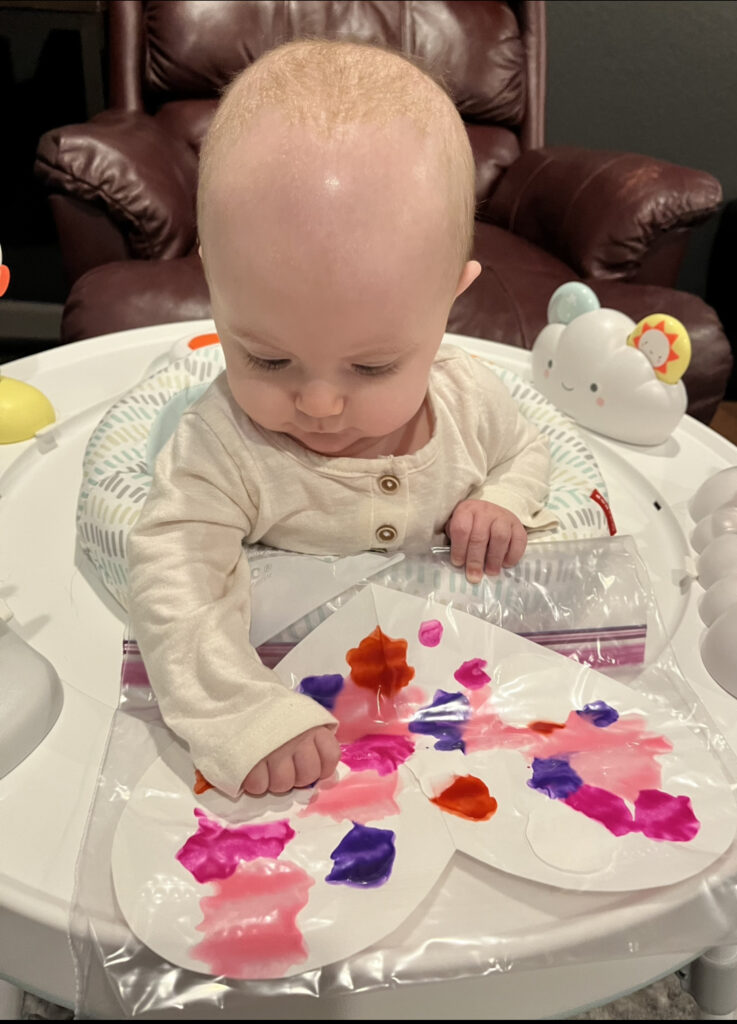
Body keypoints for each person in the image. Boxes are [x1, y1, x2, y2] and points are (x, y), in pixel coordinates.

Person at [126, 38, 556, 802]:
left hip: (460, 711)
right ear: (213, 293)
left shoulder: (469, 403)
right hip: (308, 715)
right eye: (266, 358)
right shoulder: (222, 443)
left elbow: (527, 452)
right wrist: (239, 713)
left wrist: (505, 501)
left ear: (448, 305)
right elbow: (175, 580)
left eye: (371, 368)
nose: (319, 405)